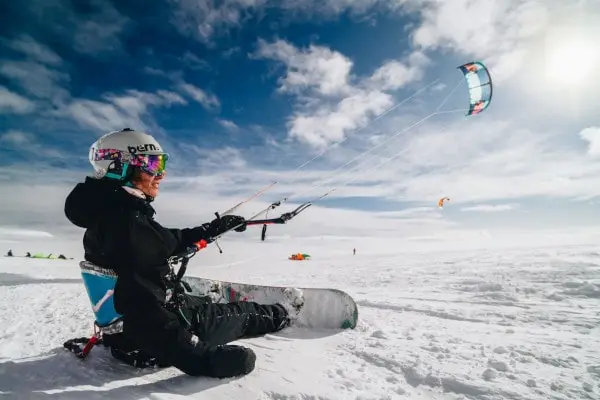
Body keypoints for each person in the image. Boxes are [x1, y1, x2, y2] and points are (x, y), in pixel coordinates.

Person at [64, 128, 304, 378]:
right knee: (241, 314)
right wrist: (206, 360)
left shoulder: (111, 214)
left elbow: (164, 242)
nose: (161, 173)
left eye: (162, 162)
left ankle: (203, 304)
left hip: (128, 335)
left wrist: (210, 229)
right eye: (153, 164)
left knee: (202, 304)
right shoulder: (128, 227)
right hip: (149, 343)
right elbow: (145, 318)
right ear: (120, 167)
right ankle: (284, 313)